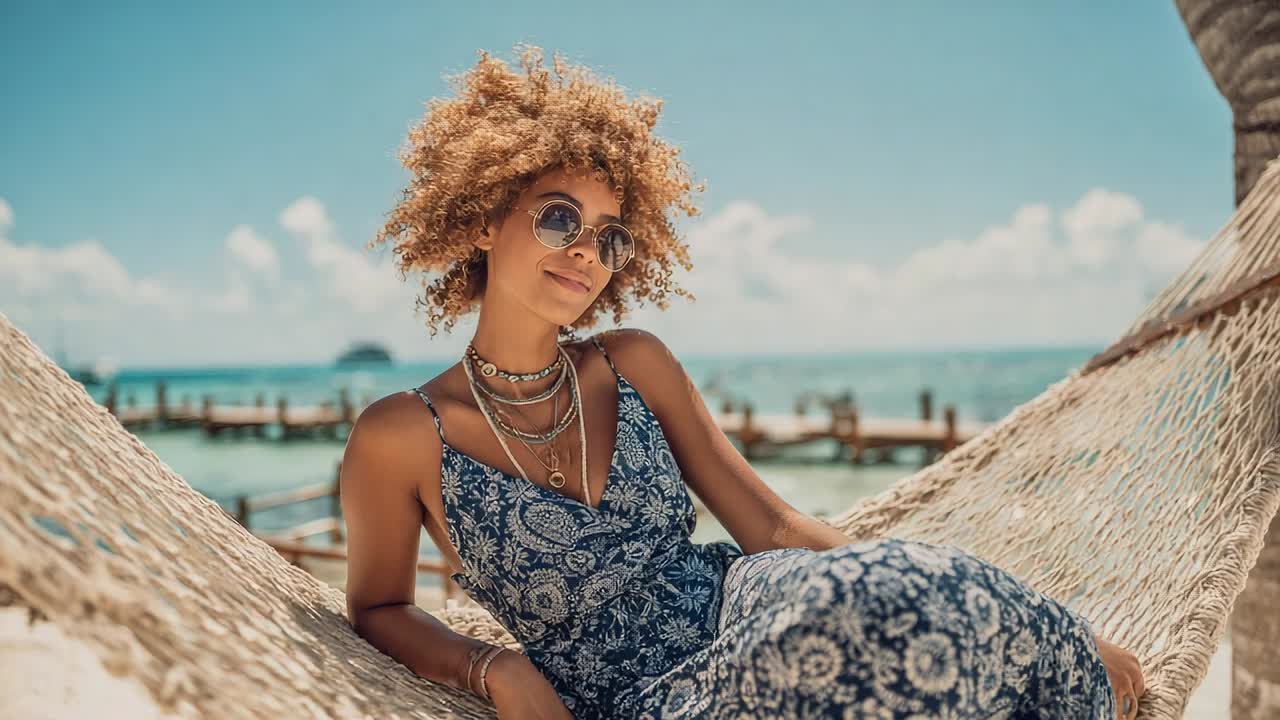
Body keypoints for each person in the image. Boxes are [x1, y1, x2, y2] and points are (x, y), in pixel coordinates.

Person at [340, 44, 1146, 719]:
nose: (586, 250)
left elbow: (777, 528)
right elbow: (377, 606)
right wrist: (497, 669)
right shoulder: (402, 435)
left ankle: (1056, 653)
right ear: (482, 218)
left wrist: (1047, 626)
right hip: (638, 696)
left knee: (894, 592)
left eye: (610, 236)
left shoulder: (633, 361)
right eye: (558, 217)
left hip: (752, 598)